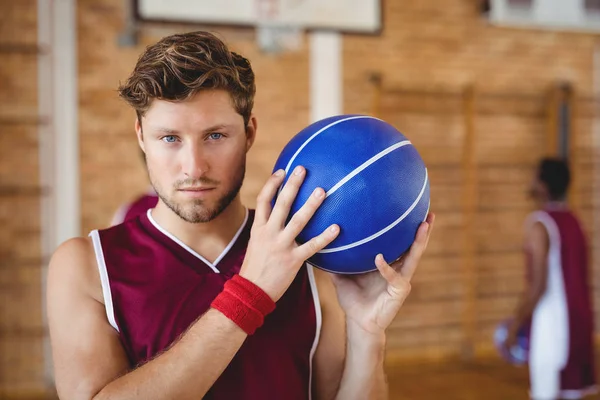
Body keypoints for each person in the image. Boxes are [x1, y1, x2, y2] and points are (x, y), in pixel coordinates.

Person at [47, 31, 434, 400]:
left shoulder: (309, 257)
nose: (194, 167)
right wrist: (250, 293)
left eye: (215, 136)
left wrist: (367, 333)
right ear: (140, 137)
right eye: (170, 139)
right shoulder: (85, 267)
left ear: (249, 133)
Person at [506, 157, 596, 399]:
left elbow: (538, 287)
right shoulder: (574, 221)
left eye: (535, 177)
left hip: (552, 324)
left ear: (543, 186)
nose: (531, 182)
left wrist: (515, 326)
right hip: (580, 320)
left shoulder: (539, 225)